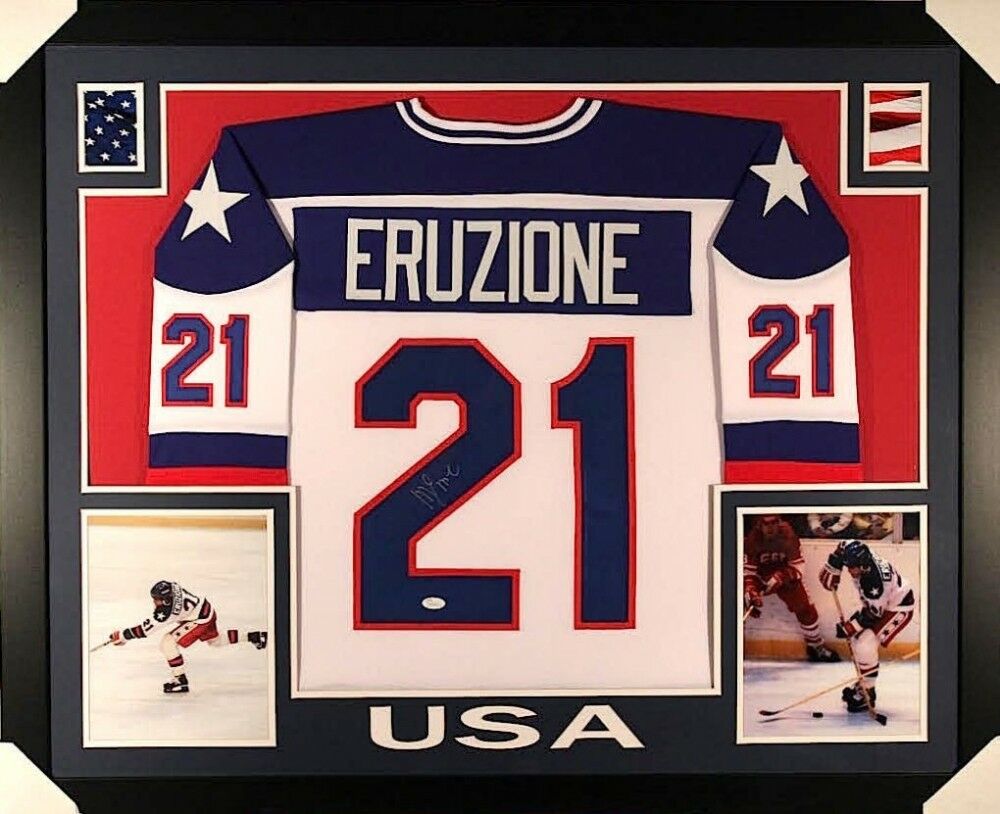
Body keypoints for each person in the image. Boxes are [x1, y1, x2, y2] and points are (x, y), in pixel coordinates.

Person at [107, 580, 268, 694]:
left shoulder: (167, 611)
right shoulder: (173, 587)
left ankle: (179, 680)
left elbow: (145, 630)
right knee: (215, 641)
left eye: (157, 600)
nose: (154, 602)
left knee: (167, 643)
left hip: (200, 619)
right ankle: (255, 636)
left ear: (166, 599)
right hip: (206, 609)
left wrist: (122, 636)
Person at [820, 540, 915, 712]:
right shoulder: (859, 551)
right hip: (885, 601)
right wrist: (834, 564)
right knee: (857, 640)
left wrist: (849, 627)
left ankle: (867, 692)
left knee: (864, 644)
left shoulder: (873, 583)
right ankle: (863, 684)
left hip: (898, 607)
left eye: (853, 567)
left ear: (863, 566)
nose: (850, 571)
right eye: (848, 566)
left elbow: (874, 614)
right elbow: (843, 545)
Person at [743, 514, 840, 663]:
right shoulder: (752, 539)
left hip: (785, 578)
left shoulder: (788, 535)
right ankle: (734, 647)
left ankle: (815, 646)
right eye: (766, 524)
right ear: (759, 525)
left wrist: (781, 577)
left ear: (779, 522)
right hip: (759, 577)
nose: (770, 527)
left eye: (774, 523)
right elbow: (748, 572)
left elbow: (798, 567)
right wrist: (751, 590)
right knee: (737, 603)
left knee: (805, 608)